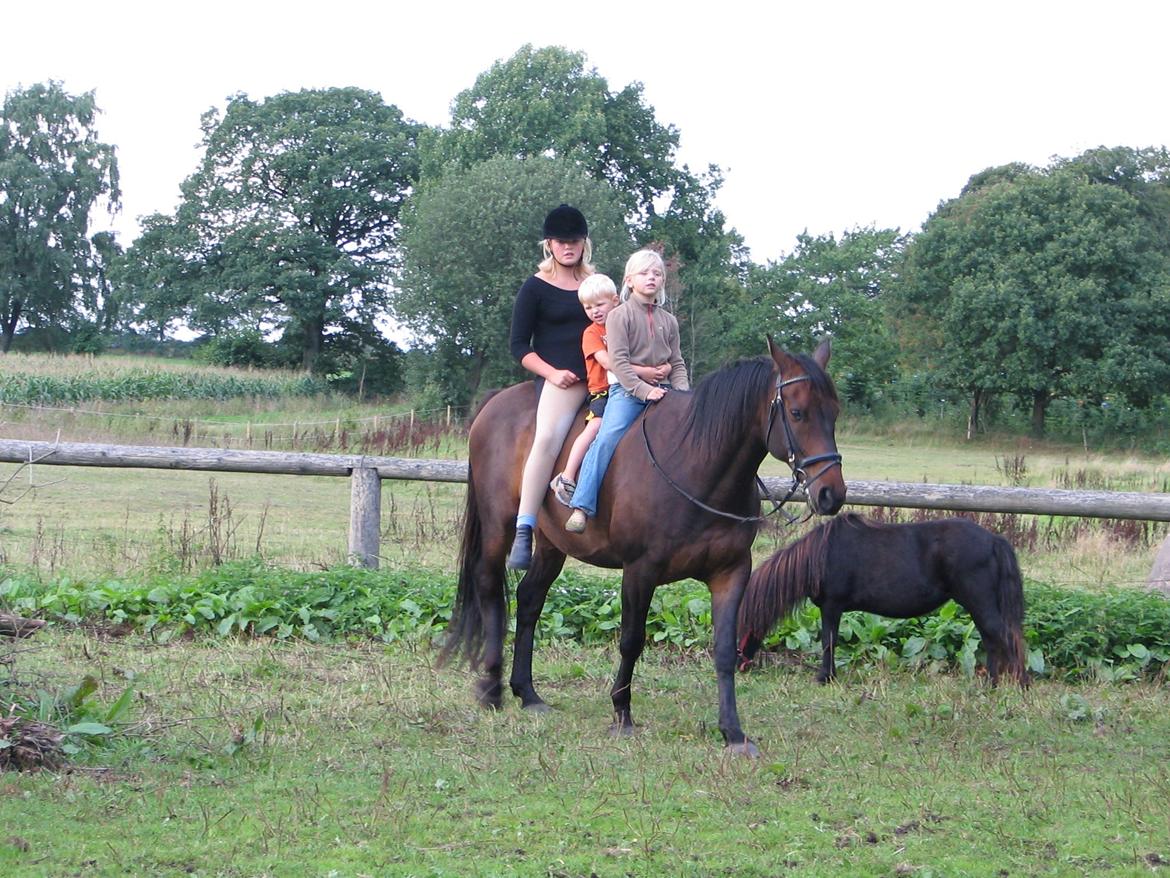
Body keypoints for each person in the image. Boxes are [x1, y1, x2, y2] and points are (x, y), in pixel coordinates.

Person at [565, 249, 688, 533]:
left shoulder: (668, 321)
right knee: (606, 437)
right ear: (630, 280)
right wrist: (644, 391)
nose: (651, 278)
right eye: (644, 273)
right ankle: (581, 505)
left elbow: (677, 362)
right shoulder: (619, 316)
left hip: (665, 391)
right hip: (627, 393)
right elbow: (619, 364)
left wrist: (683, 395)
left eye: (657, 274)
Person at [505, 204, 594, 569]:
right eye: (561, 241)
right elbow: (518, 346)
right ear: (549, 245)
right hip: (564, 381)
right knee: (546, 439)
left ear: (584, 243)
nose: (567, 247)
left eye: (574, 240)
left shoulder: (595, 285)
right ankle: (525, 526)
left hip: (603, 377)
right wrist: (552, 373)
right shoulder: (535, 287)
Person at [550, 274, 671, 507]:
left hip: (634, 387)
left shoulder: (626, 322)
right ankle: (567, 475)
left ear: (615, 301)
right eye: (588, 307)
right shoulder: (592, 333)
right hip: (604, 391)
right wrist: (644, 372)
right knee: (595, 426)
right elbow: (607, 362)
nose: (594, 311)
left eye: (599, 305)